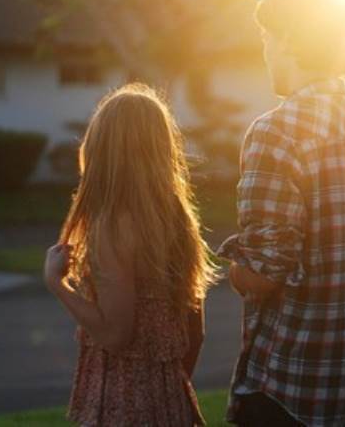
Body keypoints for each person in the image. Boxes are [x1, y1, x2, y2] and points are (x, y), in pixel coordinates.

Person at [217, 0, 345, 427]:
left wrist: (232, 270)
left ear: (287, 39)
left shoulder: (275, 131)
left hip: (289, 387)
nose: (264, 51)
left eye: (266, 38)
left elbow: (264, 273)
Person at [44, 83, 217, 426]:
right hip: (169, 397)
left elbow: (115, 335)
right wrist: (169, 386)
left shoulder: (112, 224)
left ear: (101, 149)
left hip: (120, 401)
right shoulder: (177, 219)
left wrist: (56, 284)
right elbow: (195, 330)